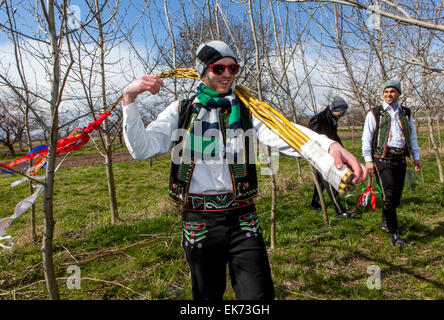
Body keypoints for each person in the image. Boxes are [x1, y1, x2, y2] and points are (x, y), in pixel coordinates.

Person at [122, 40, 367, 300]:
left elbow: (286, 132)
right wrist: (130, 98)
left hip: (243, 219)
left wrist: (329, 148)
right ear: (202, 71)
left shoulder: (247, 109)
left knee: (258, 296)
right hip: (199, 221)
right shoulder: (182, 111)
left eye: (233, 68)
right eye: (219, 68)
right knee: (207, 297)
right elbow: (141, 149)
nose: (227, 74)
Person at [362, 79, 422, 248]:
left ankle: (385, 222)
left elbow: (412, 136)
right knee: (388, 196)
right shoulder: (375, 113)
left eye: (392, 91)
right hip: (382, 159)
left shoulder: (406, 113)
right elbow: (366, 137)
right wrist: (368, 160)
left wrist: (416, 157)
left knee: (396, 197)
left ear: (399, 94)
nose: (389, 94)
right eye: (386, 91)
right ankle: (394, 233)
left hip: (400, 159)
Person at [308, 96, 357, 218]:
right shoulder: (319, 118)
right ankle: (340, 211)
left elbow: (334, 136)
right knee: (330, 179)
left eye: (344, 112)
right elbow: (310, 135)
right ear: (335, 108)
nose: (343, 114)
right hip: (321, 154)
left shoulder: (333, 118)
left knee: (320, 181)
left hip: (330, 151)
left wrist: (342, 149)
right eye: (341, 111)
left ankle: (314, 203)